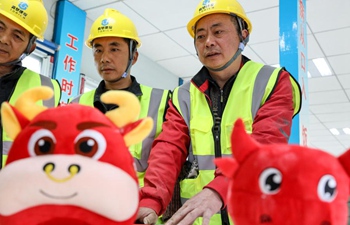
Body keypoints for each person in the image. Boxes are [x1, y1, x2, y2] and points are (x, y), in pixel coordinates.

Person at [137, 0, 302, 224]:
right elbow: (168, 149)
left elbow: (266, 145)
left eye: (218, 31)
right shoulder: (183, 95)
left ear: (243, 35)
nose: (209, 42)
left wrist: (219, 190)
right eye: (201, 36)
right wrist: (150, 201)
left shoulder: (272, 82)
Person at [69, 9, 171, 188]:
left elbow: (168, 164)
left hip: (138, 210)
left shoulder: (162, 101)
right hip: (85, 208)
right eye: (98, 50)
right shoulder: (75, 106)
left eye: (114, 49)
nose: (104, 58)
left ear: (134, 56)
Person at [0, 0, 61, 169]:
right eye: (0, 27)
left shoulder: (46, 89)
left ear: (31, 48)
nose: (4, 39)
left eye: (17, 36)